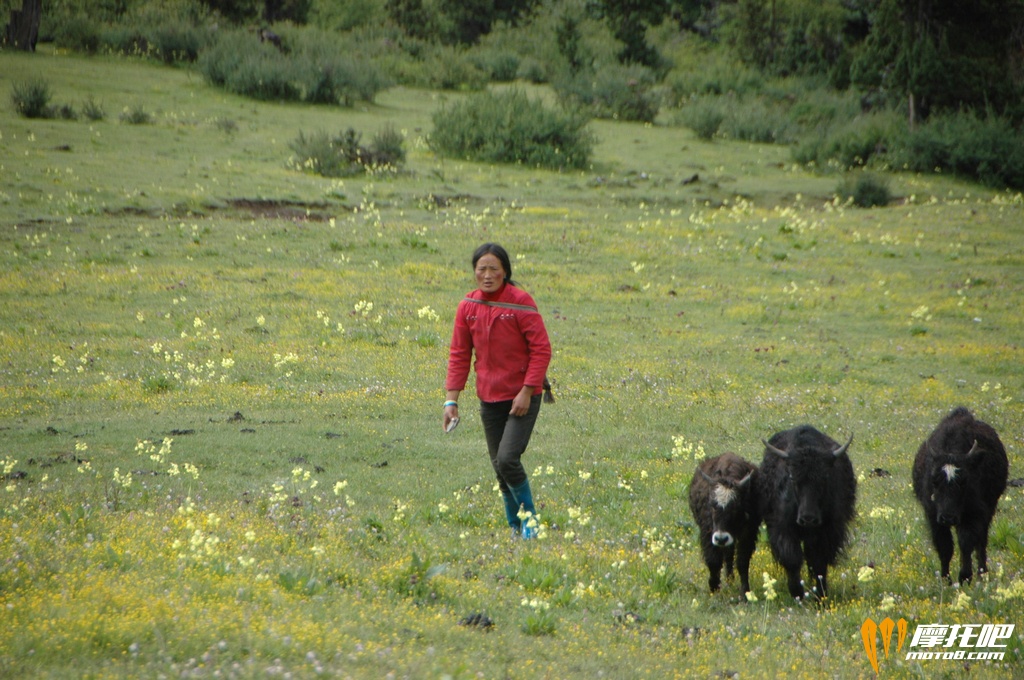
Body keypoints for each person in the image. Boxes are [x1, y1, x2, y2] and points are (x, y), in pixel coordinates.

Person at [444, 243, 552, 539]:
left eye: (494, 269)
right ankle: (515, 528)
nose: (487, 275)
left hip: (522, 396)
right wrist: (450, 401)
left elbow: (541, 350)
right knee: (498, 468)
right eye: (482, 269)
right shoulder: (468, 306)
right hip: (488, 397)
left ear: (505, 271)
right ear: (474, 273)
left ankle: (531, 524)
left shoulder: (520, 302)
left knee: (507, 459)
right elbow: (459, 354)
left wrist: (528, 390)